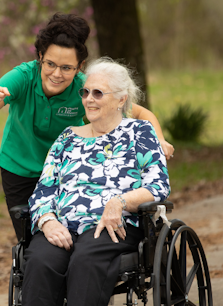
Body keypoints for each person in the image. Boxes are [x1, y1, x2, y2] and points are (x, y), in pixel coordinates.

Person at [0, 13, 174, 241]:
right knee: (31, 240)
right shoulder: (22, 78)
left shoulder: (84, 89)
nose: (56, 74)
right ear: (40, 58)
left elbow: (140, 113)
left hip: (65, 172)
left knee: (70, 234)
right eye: (50, 64)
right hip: (20, 169)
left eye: (66, 67)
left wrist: (159, 139)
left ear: (79, 67)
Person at [22, 57, 170, 306]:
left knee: (86, 261)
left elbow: (158, 186)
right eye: (85, 92)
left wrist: (121, 202)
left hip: (112, 227)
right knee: (40, 261)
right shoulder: (67, 138)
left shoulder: (140, 132)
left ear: (121, 99)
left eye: (98, 93)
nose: (89, 99)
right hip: (62, 228)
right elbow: (44, 188)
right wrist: (47, 222)